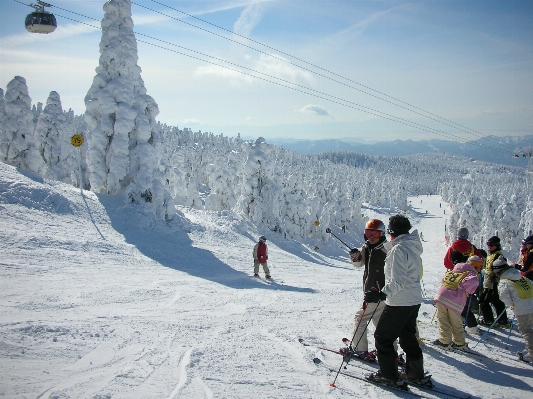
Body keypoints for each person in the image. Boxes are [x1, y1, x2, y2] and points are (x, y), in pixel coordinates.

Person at [366, 214, 428, 387]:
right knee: (408, 336)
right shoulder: (412, 246)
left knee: (382, 337)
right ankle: (415, 373)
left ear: (391, 231)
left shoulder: (398, 250)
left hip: (400, 301)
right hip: (413, 299)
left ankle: (389, 376)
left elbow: (398, 281)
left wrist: (381, 294)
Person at [344, 219, 388, 361]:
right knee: (381, 323)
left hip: (378, 294)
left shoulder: (386, 249)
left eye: (375, 233)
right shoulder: (367, 247)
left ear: (382, 233)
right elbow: (359, 263)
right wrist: (355, 257)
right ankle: (389, 352)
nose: (371, 236)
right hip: (375, 294)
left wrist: (383, 292)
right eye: (368, 232)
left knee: (360, 318)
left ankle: (359, 349)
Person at [492, 257, 533, 362]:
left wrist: (512, 304)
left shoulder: (504, 281)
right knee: (530, 328)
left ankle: (531, 353)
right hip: (531, 304)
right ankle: (530, 348)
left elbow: (503, 296)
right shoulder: (520, 276)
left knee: (526, 330)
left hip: (522, 308)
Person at [433, 257, 479, 349]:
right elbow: (472, 282)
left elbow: (443, 280)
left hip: (441, 296)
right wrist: (469, 290)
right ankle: (459, 342)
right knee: (456, 321)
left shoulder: (453, 271)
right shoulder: (469, 273)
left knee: (443, 319)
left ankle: (445, 341)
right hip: (455, 300)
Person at [479, 236, 509, 327]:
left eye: (491, 245)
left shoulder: (498, 256)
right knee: (496, 300)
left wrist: (493, 279)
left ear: (497, 245)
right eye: (488, 244)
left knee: (483, 301)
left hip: (492, 282)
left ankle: (488, 320)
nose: (489, 247)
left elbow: (502, 268)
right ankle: (502, 320)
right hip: (489, 280)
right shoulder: (491, 254)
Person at [462, 255, 484, 335]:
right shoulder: (470, 273)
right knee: (464, 310)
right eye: (480, 267)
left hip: (463, 295)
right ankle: (471, 327)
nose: (481, 269)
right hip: (462, 295)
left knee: (464, 310)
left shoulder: (469, 271)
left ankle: (469, 326)